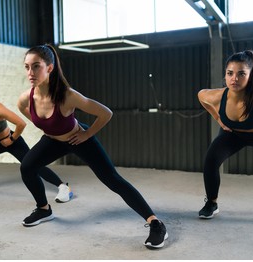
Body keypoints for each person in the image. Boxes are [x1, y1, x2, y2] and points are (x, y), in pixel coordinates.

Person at [17, 44, 168, 249]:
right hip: (53, 141)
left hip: (78, 139)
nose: (30, 72)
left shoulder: (68, 95)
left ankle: (156, 223)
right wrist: (48, 130)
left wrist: (86, 134)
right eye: (27, 67)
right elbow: (25, 111)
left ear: (49, 68)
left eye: (36, 66)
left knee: (112, 180)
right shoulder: (27, 97)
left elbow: (105, 113)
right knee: (27, 167)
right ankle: (44, 209)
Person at [0, 72, 73, 203]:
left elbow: (21, 123)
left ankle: (64, 187)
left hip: (12, 141)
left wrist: (11, 139)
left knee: (33, 165)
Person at [197, 50, 253, 219]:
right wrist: (218, 118)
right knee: (210, 161)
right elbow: (201, 95)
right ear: (225, 75)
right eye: (230, 73)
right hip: (232, 135)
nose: (234, 78)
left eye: (241, 74)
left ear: (250, 75)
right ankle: (211, 202)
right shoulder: (218, 95)